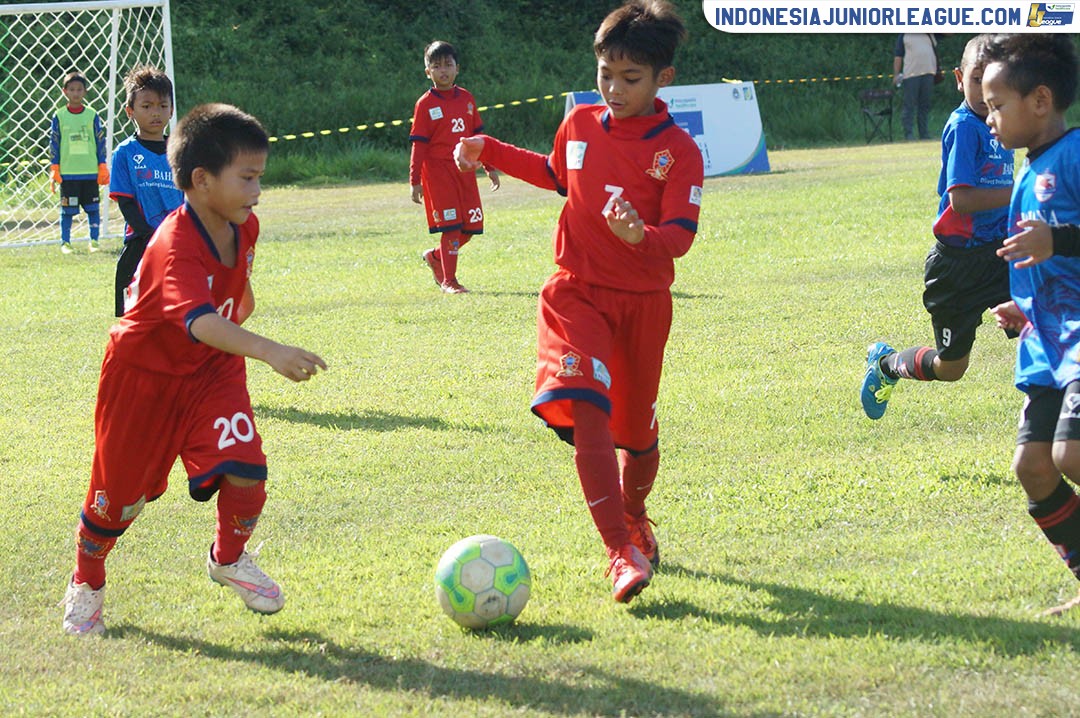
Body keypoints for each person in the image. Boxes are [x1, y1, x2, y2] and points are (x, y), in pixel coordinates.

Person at [455, 0, 703, 602]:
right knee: (586, 403)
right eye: (605, 74)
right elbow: (554, 173)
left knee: (638, 439)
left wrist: (639, 235)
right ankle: (618, 550)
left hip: (643, 306)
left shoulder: (679, 150)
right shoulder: (581, 124)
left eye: (630, 78)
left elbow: (681, 239)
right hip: (576, 294)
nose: (613, 89)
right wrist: (488, 148)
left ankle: (635, 512)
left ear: (662, 78)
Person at [60, 104, 327, 636]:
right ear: (202, 181)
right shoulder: (173, 244)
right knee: (118, 504)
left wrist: (242, 320)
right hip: (143, 381)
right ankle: (87, 580)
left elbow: (235, 303)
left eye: (260, 177)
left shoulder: (243, 228)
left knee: (247, 471)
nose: (257, 190)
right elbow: (200, 321)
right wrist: (270, 350)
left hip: (211, 372)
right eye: (247, 177)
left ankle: (228, 557)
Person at [862, 35, 1015, 420]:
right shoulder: (964, 126)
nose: (986, 90)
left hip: (1001, 254)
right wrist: (1021, 193)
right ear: (959, 79)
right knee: (951, 369)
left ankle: (1053, 421)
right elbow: (961, 200)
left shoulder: (1006, 124)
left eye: (995, 80)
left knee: (1043, 323)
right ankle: (887, 364)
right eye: (977, 79)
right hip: (958, 266)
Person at [982, 34, 1080, 615]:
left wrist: (1057, 240)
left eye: (997, 104)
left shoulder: (1073, 156)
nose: (989, 117)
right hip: (1048, 339)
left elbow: (1058, 242)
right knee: (1034, 465)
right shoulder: (1030, 169)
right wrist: (1025, 306)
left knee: (1073, 454)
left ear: (1040, 100)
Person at [409, 40, 500, 294]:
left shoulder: (467, 99)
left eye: (448, 65)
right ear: (428, 72)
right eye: (436, 66)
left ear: (457, 68)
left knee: (470, 227)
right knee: (450, 227)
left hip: (465, 171)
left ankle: (437, 258)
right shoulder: (425, 104)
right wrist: (414, 180)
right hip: (438, 173)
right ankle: (449, 281)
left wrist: (489, 166)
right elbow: (419, 145)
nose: (443, 71)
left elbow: (479, 138)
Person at [109, 65, 183, 316]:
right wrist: (149, 235)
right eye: (147, 105)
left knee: (180, 310)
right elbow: (126, 203)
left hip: (179, 243)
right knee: (135, 313)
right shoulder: (125, 153)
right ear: (130, 111)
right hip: (141, 241)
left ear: (171, 110)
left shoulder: (180, 152)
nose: (156, 113)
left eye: (163, 106)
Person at [49, 70, 109, 254]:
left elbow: (100, 141)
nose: (76, 93)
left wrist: (102, 165)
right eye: (72, 89)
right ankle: (65, 243)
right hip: (68, 173)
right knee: (67, 210)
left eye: (79, 89)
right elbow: (54, 142)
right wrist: (55, 167)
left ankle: (94, 241)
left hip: (89, 171)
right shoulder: (59, 116)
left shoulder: (92, 115)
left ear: (85, 91)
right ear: (64, 91)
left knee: (92, 208)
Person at [893, 33, 939, 140]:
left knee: (924, 105)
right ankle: (908, 134)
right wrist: (896, 74)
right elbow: (898, 56)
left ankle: (924, 134)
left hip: (929, 72)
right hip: (911, 75)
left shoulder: (929, 33)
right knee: (909, 105)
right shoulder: (904, 35)